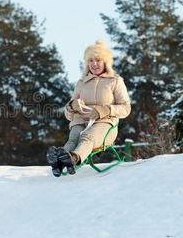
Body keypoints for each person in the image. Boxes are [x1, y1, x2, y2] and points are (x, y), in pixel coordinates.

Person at [46, 40, 131, 177]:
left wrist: (106, 110)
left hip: (105, 124)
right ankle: (58, 161)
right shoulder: (81, 83)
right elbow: (69, 116)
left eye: (98, 60)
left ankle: (74, 158)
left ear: (105, 62)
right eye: (91, 60)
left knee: (87, 136)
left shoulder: (115, 81)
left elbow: (126, 108)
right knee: (73, 139)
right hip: (81, 121)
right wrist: (72, 106)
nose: (94, 64)